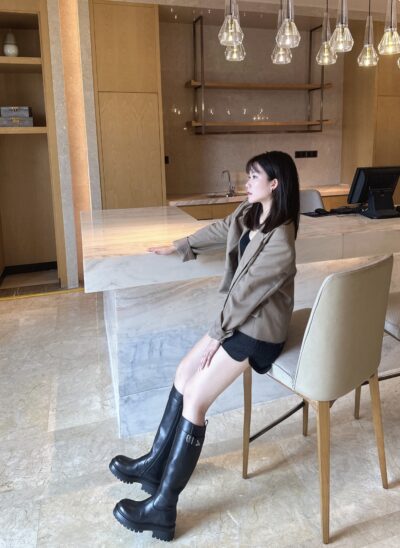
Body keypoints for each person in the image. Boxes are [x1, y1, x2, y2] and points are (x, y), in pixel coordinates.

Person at [109, 150, 300, 541]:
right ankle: (154, 465)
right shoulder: (250, 213)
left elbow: (247, 295)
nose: (247, 182)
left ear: (275, 183)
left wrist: (217, 334)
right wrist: (180, 245)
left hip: (258, 332)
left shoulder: (281, 239)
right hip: (239, 322)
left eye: (254, 176)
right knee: (184, 373)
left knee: (195, 400)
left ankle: (163, 508)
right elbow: (221, 229)